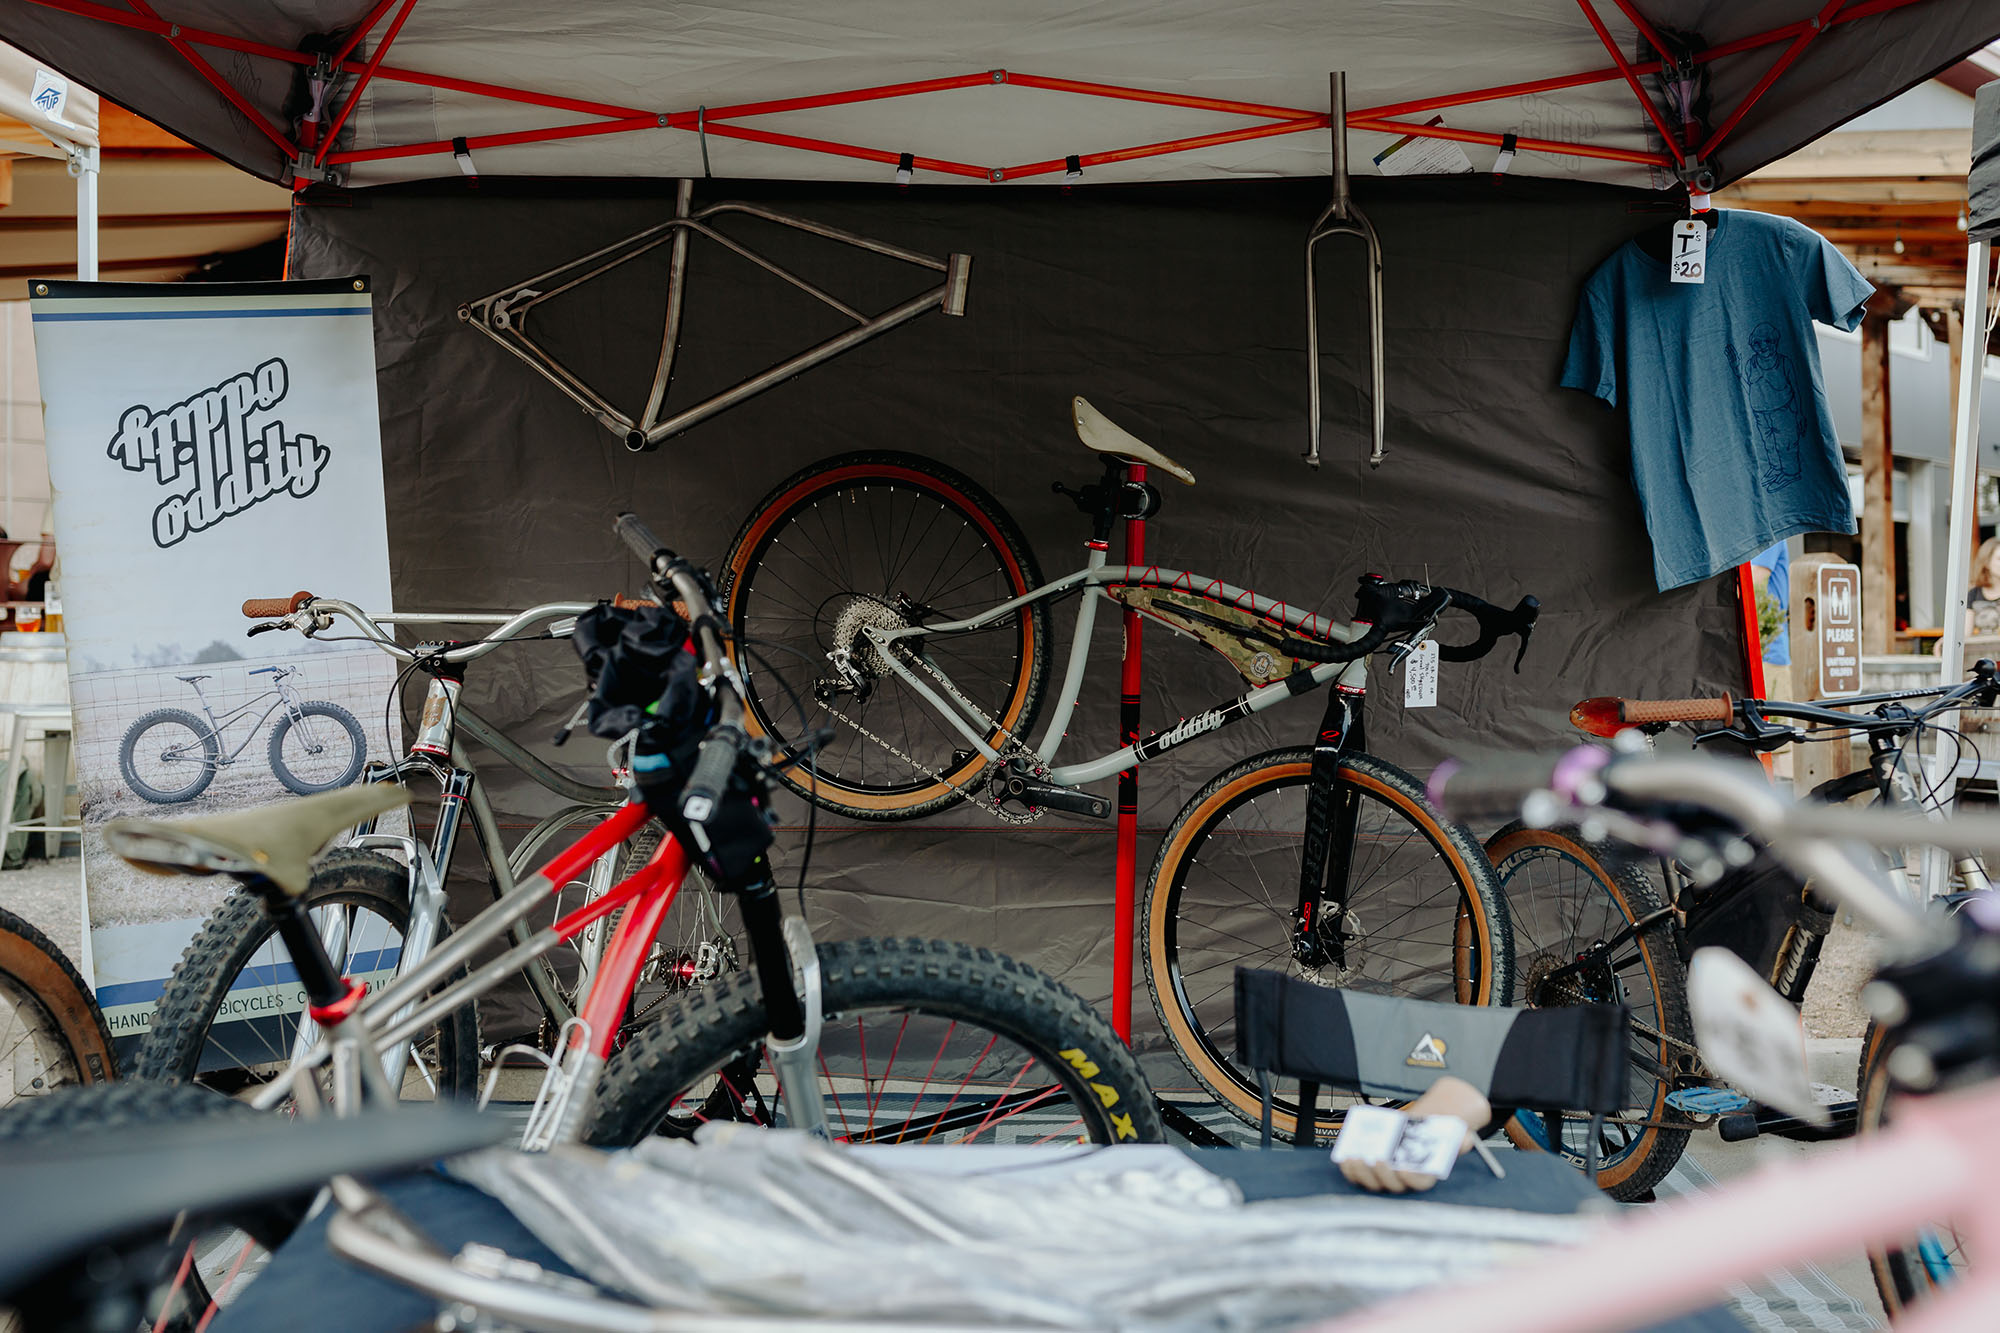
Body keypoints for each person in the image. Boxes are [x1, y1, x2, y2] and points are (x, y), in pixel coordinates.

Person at [1970, 536, 2000, 637]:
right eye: (1999, 559)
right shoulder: (1973, 594)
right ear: (1986, 562)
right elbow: (1965, 634)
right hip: (1982, 646)